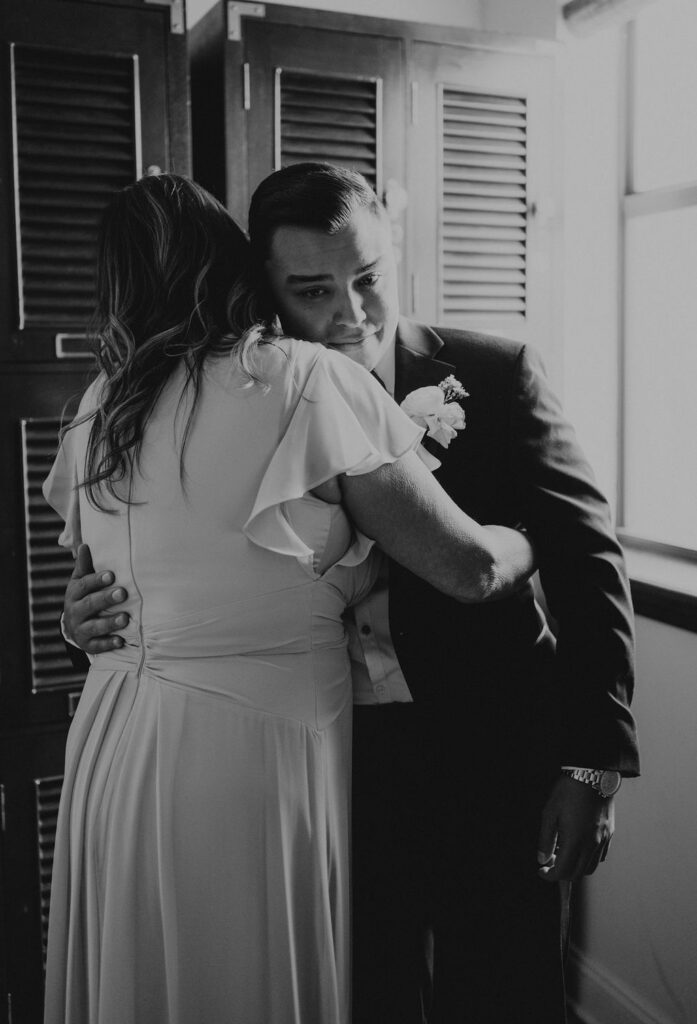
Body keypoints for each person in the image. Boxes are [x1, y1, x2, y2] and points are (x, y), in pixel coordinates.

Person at [62, 164, 639, 1024]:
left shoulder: (498, 371)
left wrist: (592, 762)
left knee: (507, 993)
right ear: (262, 285)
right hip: (327, 771)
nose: (353, 313)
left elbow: (591, 564)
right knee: (360, 996)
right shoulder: (258, 386)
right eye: (314, 288)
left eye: (368, 277)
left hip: (487, 755)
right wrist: (92, 616)